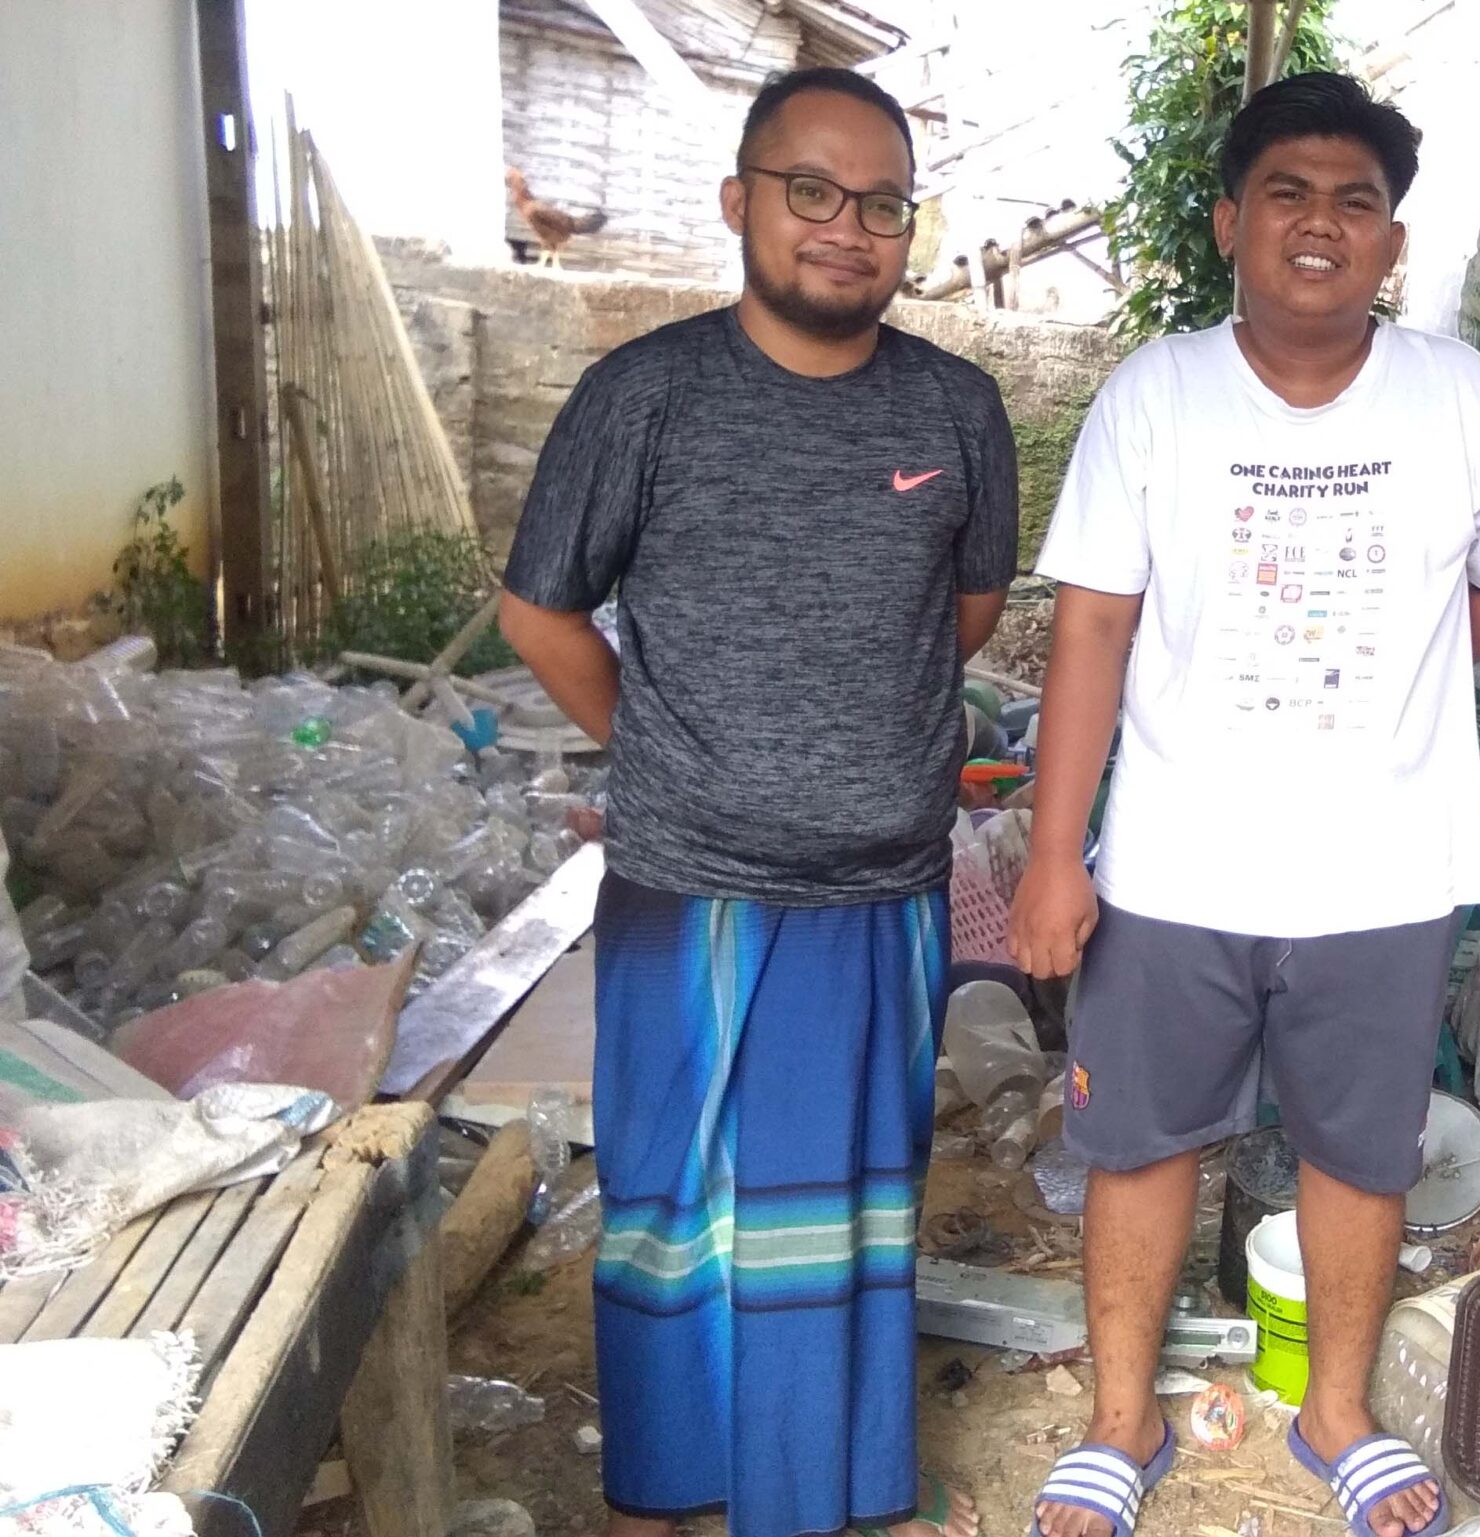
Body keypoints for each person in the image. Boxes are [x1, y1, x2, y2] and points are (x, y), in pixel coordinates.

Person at [1013, 71, 1480, 1537]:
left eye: (1356, 202)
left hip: (1382, 869)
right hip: (1176, 865)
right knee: (1138, 1143)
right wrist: (1055, 855)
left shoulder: (1460, 399)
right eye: (1289, 193)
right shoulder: (1157, 397)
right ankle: (1120, 1427)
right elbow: (1089, 630)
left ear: (1390, 244)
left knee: (1359, 1148)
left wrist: (1409, 669)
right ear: (1229, 223)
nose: (1322, 223)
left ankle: (1337, 1417)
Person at [498, 65, 1014, 1537]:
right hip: (691, 886)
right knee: (673, 1211)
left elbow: (963, 612)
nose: (846, 228)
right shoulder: (641, 397)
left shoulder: (957, 408)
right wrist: (672, 749)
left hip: (880, 893)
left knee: (846, 1212)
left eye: (881, 204)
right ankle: (672, 1487)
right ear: (741, 202)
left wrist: (856, 740)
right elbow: (543, 614)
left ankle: (824, 1489)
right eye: (812, 192)